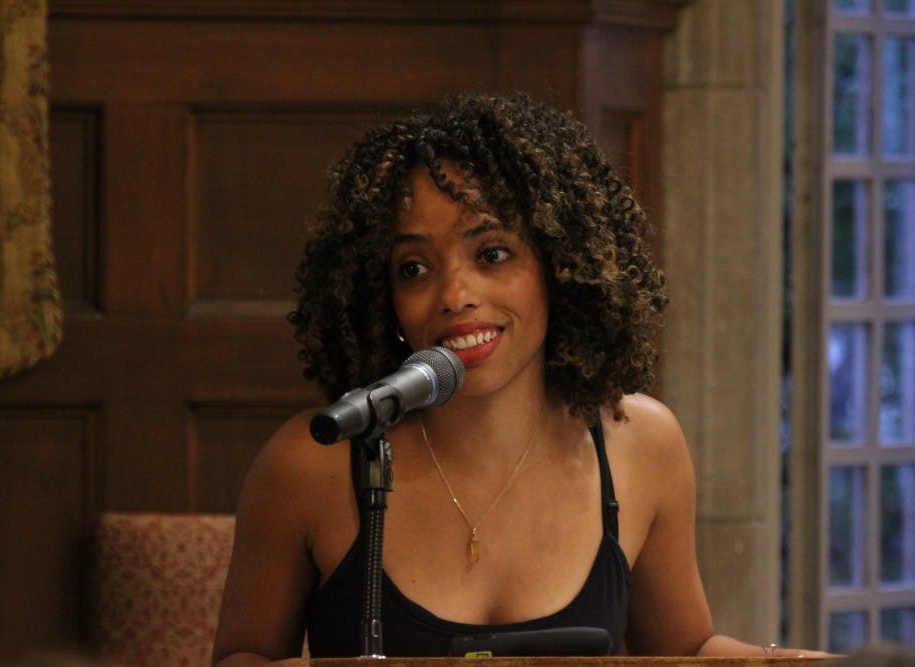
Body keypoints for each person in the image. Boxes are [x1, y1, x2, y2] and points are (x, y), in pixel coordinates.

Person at [212, 92, 829, 665]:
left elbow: (685, 653)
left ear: (561, 267)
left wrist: (785, 660)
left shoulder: (640, 443)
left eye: (492, 255)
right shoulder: (310, 463)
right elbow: (241, 658)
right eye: (415, 268)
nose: (454, 295)